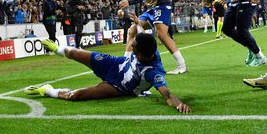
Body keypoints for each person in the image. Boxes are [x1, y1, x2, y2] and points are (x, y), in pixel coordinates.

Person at [25, 33, 190, 113]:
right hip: (115, 64)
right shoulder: (148, 47)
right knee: (76, 53)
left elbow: (167, 94)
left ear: (140, 54)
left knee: (76, 96)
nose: (131, 45)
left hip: (118, 86)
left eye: (134, 45)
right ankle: (56, 48)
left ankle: (47, 90)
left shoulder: (153, 73)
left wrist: (179, 104)